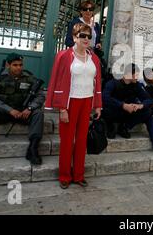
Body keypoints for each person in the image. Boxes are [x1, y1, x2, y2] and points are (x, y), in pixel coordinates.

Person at [46, 23, 102, 189]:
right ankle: (64, 175)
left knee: (82, 140)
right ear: (74, 37)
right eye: (82, 35)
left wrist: (98, 105)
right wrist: (62, 108)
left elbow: (97, 82)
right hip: (70, 103)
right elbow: (55, 80)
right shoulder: (63, 56)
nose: (86, 39)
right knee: (67, 141)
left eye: (89, 36)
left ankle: (78, 175)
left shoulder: (94, 58)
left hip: (87, 102)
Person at [102, 63, 153, 157]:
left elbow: (148, 99)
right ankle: (116, 127)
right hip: (112, 114)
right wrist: (123, 105)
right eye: (136, 74)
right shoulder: (112, 83)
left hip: (127, 115)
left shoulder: (136, 85)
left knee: (148, 113)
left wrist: (140, 106)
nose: (138, 77)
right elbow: (105, 98)